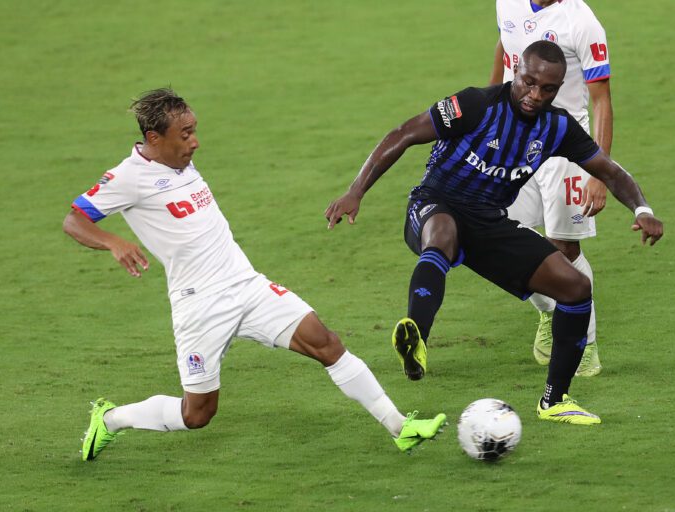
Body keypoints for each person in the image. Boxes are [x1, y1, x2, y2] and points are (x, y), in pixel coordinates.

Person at [64, 89, 446, 461]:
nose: (195, 142)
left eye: (194, 130)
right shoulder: (128, 177)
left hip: (247, 285)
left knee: (326, 342)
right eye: (185, 134)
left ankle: (400, 427)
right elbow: (74, 219)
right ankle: (111, 418)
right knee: (196, 414)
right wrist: (113, 242)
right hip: (200, 304)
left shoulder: (179, 160)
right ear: (153, 138)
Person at [325, 41, 662, 425]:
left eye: (547, 89)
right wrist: (356, 190)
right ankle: (416, 336)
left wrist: (643, 209)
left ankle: (555, 400)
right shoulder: (475, 104)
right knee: (442, 236)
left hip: (488, 222)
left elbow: (611, 172)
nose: (535, 95)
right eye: (529, 82)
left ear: (558, 88)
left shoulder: (557, 127)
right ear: (515, 69)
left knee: (575, 287)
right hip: (436, 201)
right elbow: (404, 133)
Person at [490, 0, 614, 376]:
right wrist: (491, 108)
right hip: (515, 143)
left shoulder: (581, 22)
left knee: (564, 247)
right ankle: (549, 310)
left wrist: (600, 173)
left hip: (565, 146)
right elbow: (506, 42)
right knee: (498, 236)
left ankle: (583, 344)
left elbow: (601, 100)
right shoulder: (506, 3)